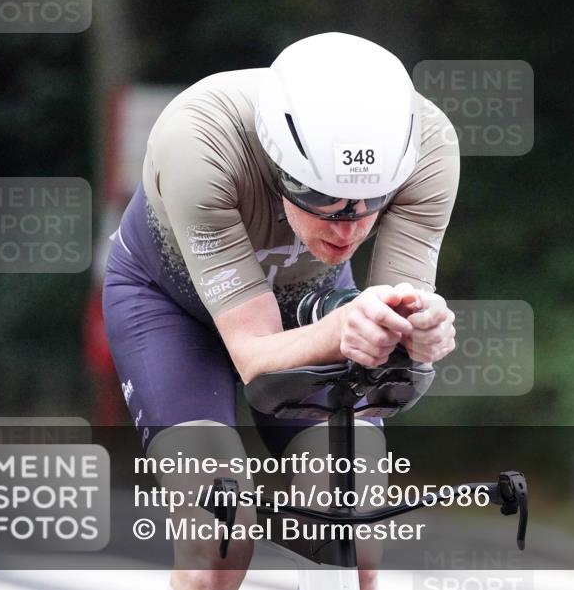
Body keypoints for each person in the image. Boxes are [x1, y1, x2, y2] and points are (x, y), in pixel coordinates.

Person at [102, 32, 460, 590]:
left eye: (372, 201)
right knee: (217, 543)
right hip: (169, 307)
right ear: (276, 164)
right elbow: (255, 356)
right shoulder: (199, 140)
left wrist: (418, 333)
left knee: (357, 538)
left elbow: (395, 317)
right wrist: (343, 328)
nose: (348, 229)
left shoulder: (430, 143)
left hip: (307, 304)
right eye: (322, 199)